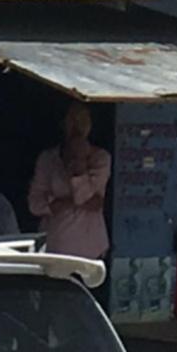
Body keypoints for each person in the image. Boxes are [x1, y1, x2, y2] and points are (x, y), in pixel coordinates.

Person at [28, 103, 112, 259]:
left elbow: (89, 200)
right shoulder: (48, 159)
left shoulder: (100, 158)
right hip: (55, 247)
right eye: (72, 119)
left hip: (91, 248)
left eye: (83, 119)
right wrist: (60, 203)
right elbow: (34, 204)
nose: (77, 125)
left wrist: (79, 163)